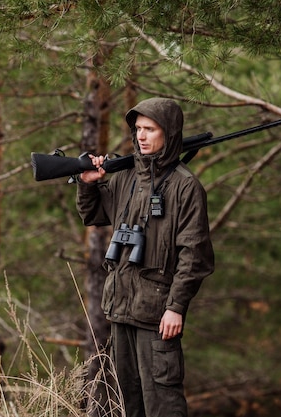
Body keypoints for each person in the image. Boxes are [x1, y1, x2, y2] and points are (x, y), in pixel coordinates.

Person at [76, 98, 215, 417]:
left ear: (169, 133)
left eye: (149, 129)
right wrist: (88, 186)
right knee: (126, 402)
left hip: (157, 315)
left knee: (162, 402)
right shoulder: (126, 177)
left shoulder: (185, 186)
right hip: (120, 310)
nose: (141, 135)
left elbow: (195, 256)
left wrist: (175, 307)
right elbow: (94, 214)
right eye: (137, 129)